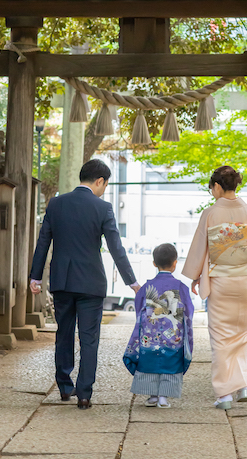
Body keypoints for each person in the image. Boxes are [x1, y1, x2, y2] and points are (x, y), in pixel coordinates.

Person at [30, 159, 140, 409]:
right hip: (91, 283)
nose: (104, 190)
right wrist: (131, 281)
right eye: (105, 184)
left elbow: (43, 242)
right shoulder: (103, 208)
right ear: (99, 181)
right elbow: (116, 248)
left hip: (62, 281)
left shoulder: (56, 204)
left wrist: (35, 277)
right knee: (89, 338)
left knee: (64, 333)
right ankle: (84, 394)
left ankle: (64, 386)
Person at [182, 165, 247, 410]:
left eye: (211, 188)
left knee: (221, 337)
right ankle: (243, 385)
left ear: (216, 186)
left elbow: (199, 249)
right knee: (243, 334)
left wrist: (195, 276)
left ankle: (225, 393)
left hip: (220, 281)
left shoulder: (210, 214)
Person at [123, 243, 194, 408]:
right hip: (173, 336)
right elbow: (188, 312)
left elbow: (139, 310)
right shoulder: (180, 287)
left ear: (154, 263)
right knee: (171, 361)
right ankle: (164, 397)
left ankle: (153, 396)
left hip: (150, 336)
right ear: (175, 263)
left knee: (150, 360)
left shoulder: (147, 287)